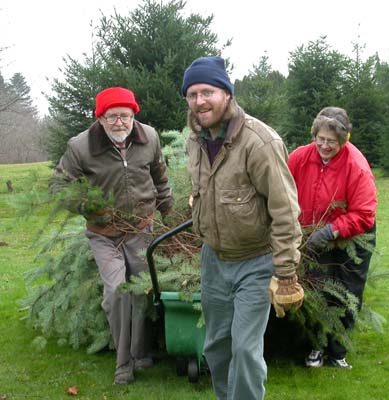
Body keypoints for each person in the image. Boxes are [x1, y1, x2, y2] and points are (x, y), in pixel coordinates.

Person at [182, 56, 303, 400]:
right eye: (192, 94)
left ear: (226, 94)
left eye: (208, 91)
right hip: (214, 260)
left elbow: (284, 210)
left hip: (256, 261)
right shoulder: (196, 141)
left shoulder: (258, 142)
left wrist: (286, 273)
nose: (199, 101)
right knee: (217, 347)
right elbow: (206, 188)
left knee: (246, 350)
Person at [51, 87, 174, 384]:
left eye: (125, 115)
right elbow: (59, 188)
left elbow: (159, 176)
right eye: (112, 117)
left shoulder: (150, 137)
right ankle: (123, 365)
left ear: (133, 115)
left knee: (142, 291)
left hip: (141, 230)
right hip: (103, 235)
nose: (120, 123)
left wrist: (169, 212)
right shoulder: (81, 147)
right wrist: (88, 206)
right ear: (101, 119)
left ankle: (142, 353)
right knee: (117, 293)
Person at [288, 106, 377, 369]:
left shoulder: (356, 165)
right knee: (317, 289)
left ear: (344, 140)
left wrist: (330, 231)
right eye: (321, 139)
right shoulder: (300, 158)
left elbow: (364, 213)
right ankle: (315, 347)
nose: (325, 146)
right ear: (314, 135)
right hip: (312, 235)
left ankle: (337, 352)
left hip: (353, 237)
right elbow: (281, 187)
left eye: (332, 142)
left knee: (346, 292)